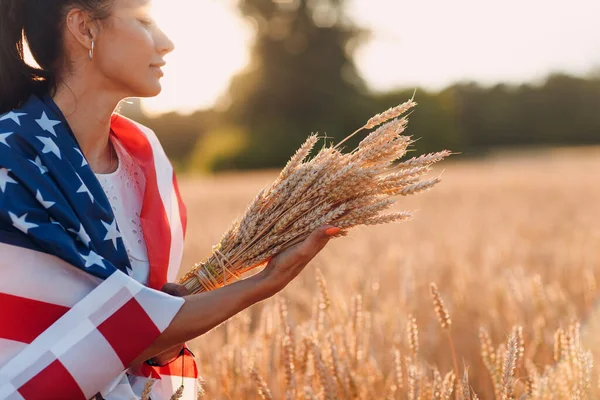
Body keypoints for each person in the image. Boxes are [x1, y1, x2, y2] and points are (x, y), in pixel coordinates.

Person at [0, 0, 339, 398]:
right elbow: (114, 335)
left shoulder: (145, 161)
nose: (167, 43)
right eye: (144, 21)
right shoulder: (12, 161)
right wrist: (265, 282)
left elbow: (143, 335)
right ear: (84, 28)